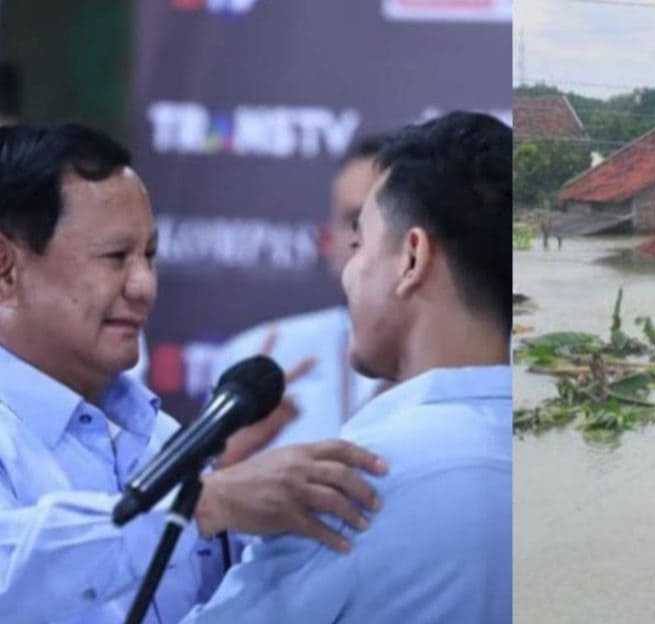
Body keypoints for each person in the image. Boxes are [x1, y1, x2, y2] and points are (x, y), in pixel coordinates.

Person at [0, 123, 386, 624]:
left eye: (150, 256)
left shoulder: (161, 438)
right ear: (6, 268)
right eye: (115, 258)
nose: (144, 286)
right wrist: (204, 505)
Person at [180, 111, 512, 622]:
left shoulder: (348, 489)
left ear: (412, 258)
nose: (349, 273)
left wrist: (205, 502)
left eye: (361, 244)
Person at [213, 136, 388, 448]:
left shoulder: (467, 361)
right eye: (354, 221)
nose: (369, 240)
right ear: (327, 241)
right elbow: (202, 477)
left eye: (388, 219)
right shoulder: (255, 360)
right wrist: (224, 461)